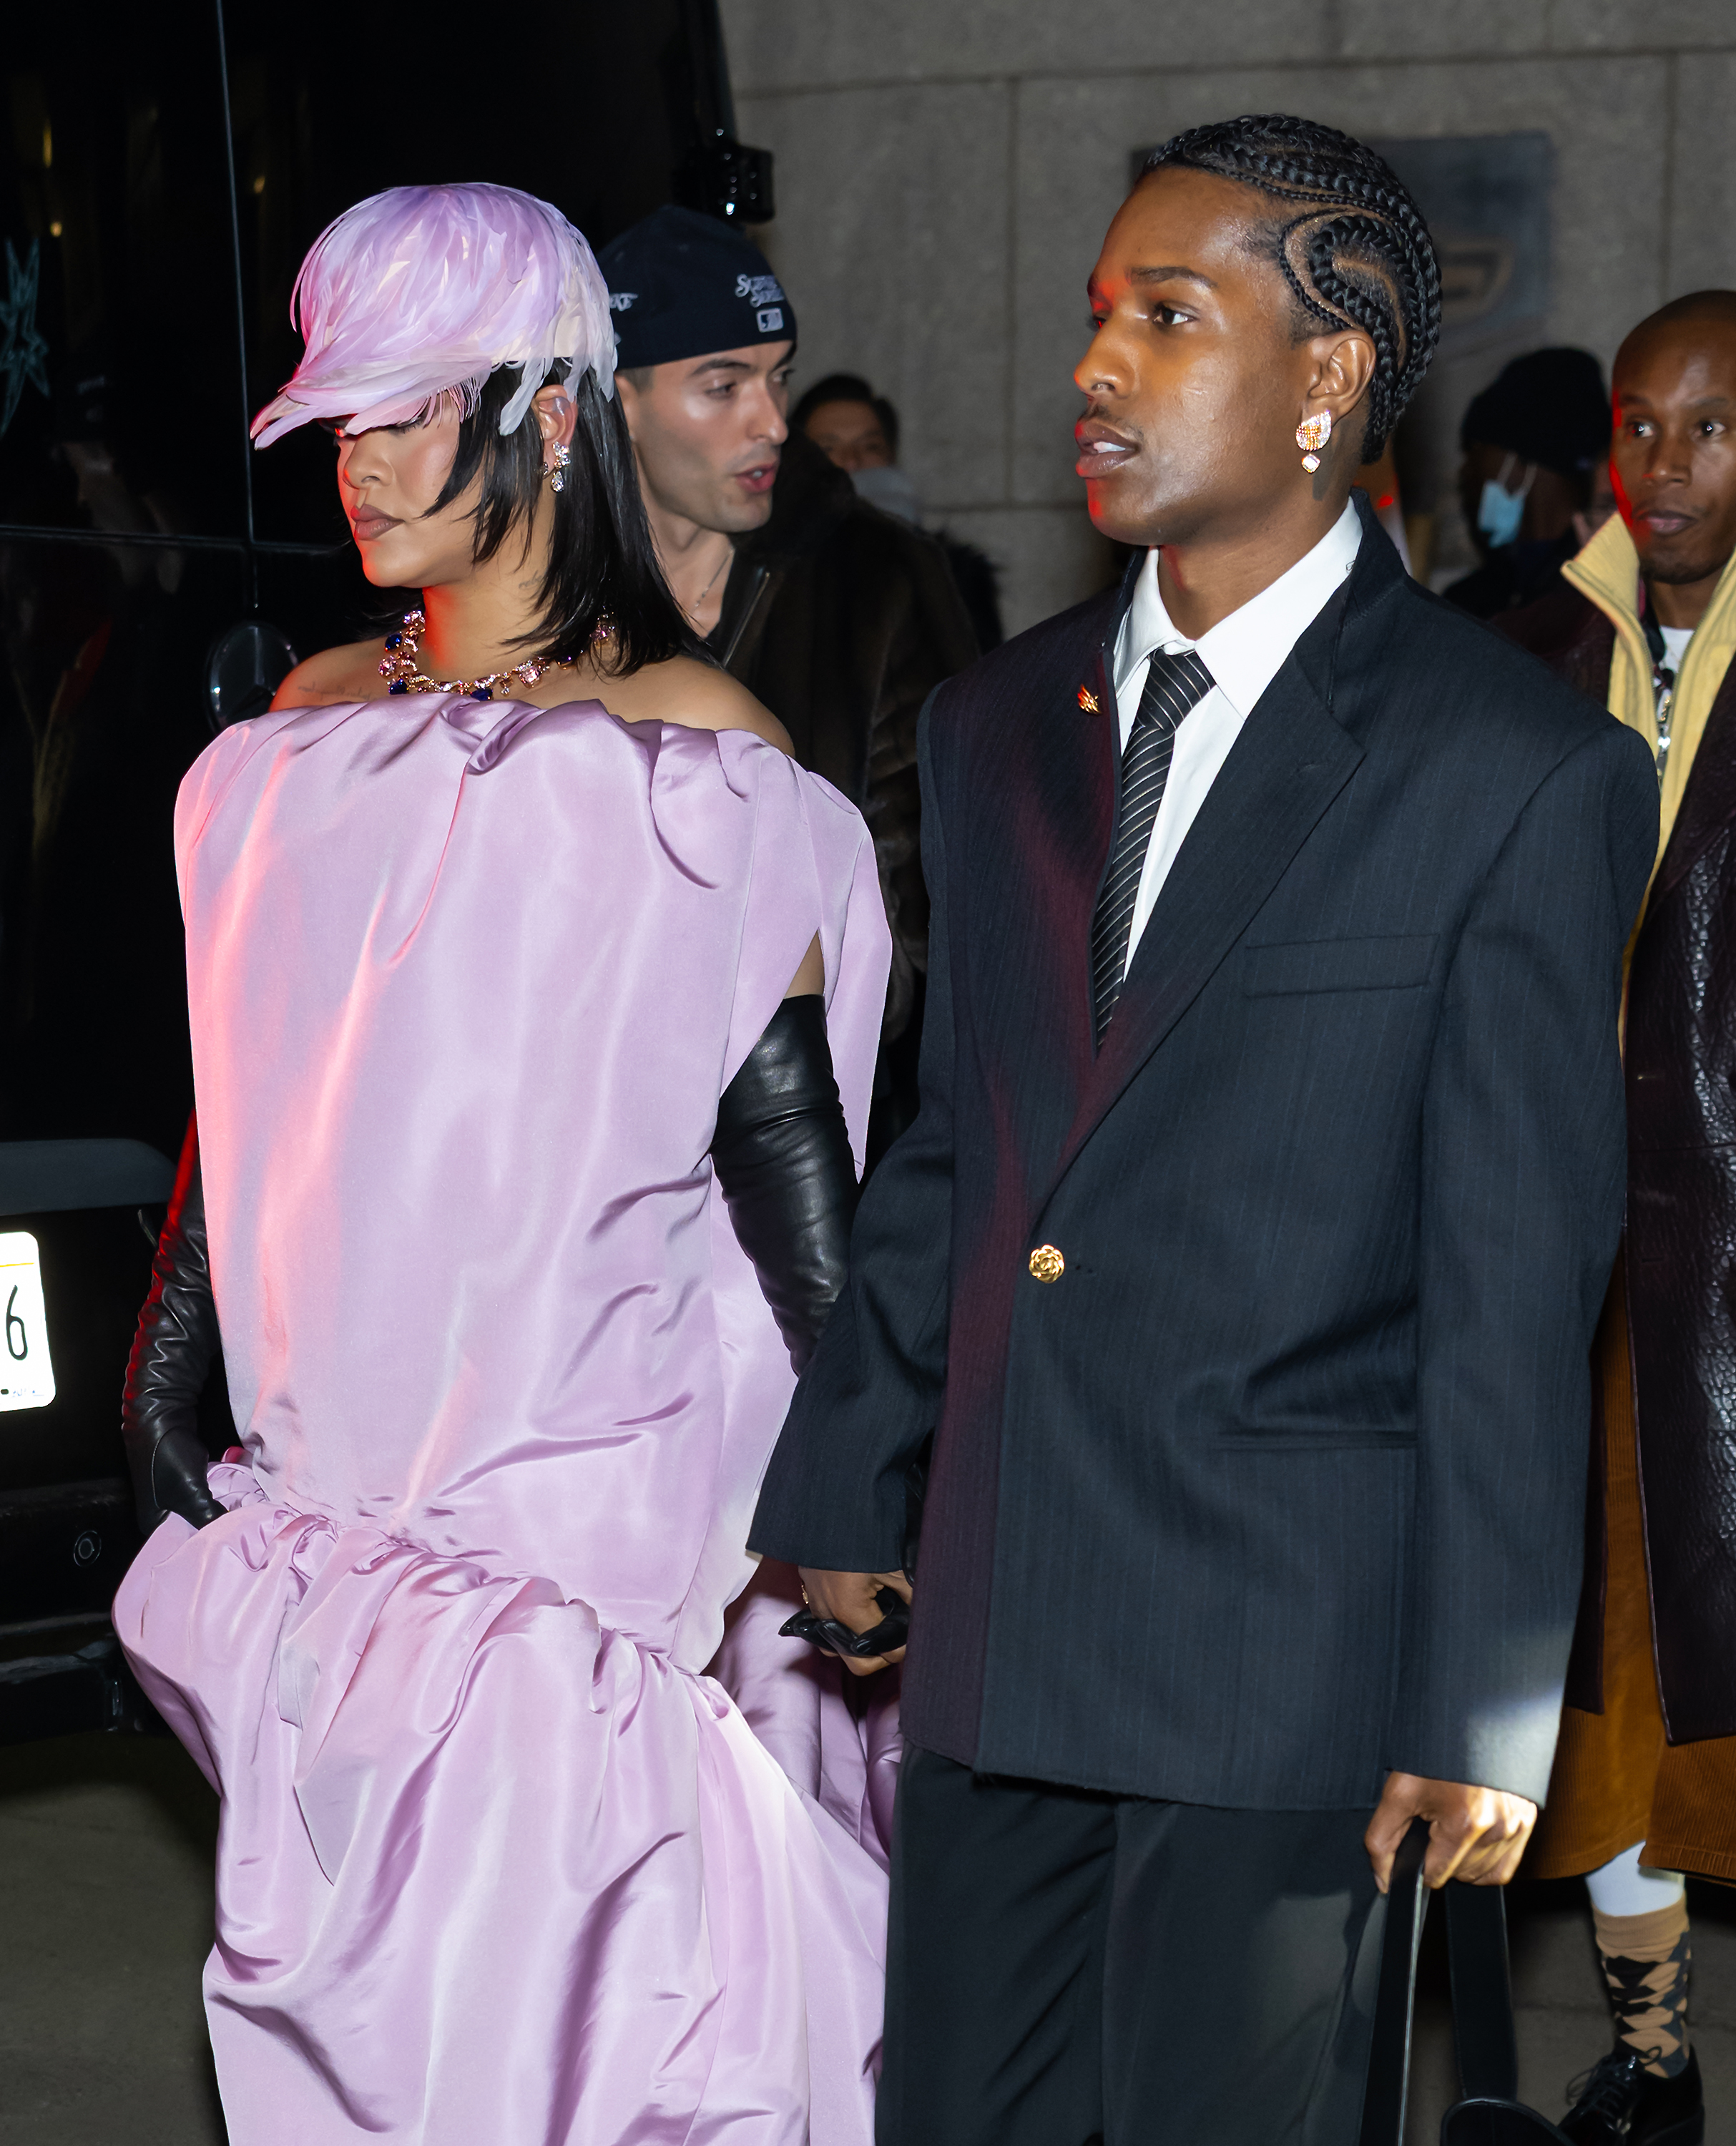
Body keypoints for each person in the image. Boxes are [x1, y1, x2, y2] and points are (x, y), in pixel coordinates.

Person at [748, 114, 1659, 2146]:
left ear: (1331, 373)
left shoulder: (1505, 768)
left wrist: (1482, 1700)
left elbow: (1517, 1279)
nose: (1097, 368)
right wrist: (849, 1466)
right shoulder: (998, 730)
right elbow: (957, 1151)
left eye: (1168, 318)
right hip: (1000, 1613)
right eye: (1094, 318)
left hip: (1287, 1654)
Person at [113, 182, 893, 2146]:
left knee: (583, 2074)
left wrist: (867, 1482)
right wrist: (167, 1367)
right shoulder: (288, 742)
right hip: (318, 1579)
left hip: (565, 1594)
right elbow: (249, 1106)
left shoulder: (688, 755)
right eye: (339, 419)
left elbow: (789, 1187)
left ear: (550, 412)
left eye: (408, 410)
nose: (361, 464)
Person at [1498, 290, 1736, 2146]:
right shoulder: (1521, 644)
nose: (1662, 468)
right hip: (1572, 1263)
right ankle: (1649, 2055)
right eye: (1640, 429)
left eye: (1709, 429)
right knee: (1606, 1700)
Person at [598, 207, 978, 1136]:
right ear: (619, 400)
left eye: (776, 379)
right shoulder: (542, 592)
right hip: (592, 1138)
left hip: (823, 1120)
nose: (771, 422)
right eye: (721, 385)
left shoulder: (874, 577)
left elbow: (936, 901)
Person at [795, 371, 1005, 657]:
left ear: (891, 456)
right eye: (828, 448)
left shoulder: (949, 578)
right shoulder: (771, 574)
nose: (852, 461)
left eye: (870, 446)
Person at [1443, 346, 1611, 618]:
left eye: (1474, 451)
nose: (1465, 474)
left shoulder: (1599, 588)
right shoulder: (1470, 602)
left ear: (1519, 459)